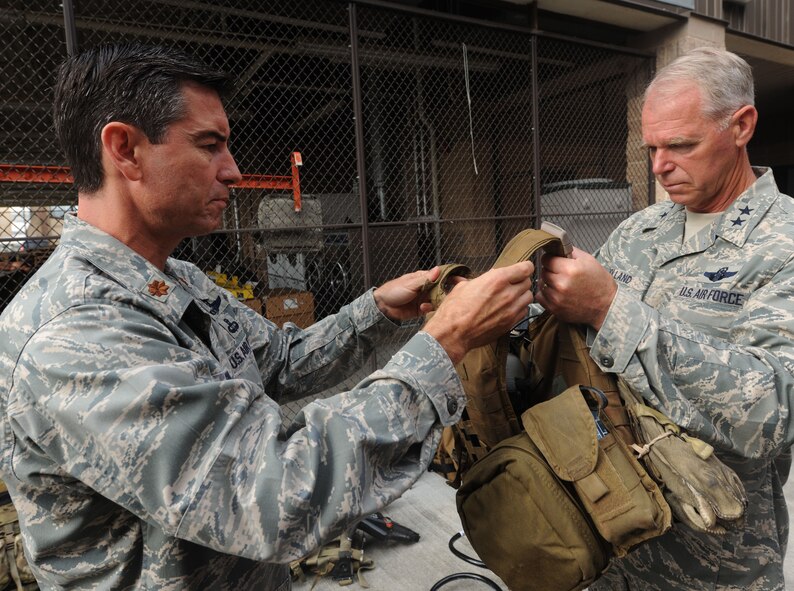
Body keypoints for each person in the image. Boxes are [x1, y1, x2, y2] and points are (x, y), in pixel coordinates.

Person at [0, 43, 535, 590]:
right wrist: (444, 343)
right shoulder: (76, 333)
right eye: (209, 146)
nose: (232, 171)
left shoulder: (174, 279)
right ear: (125, 150)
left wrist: (374, 311)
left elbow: (279, 362)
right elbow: (271, 495)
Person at [536, 46, 794, 590]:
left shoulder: (784, 243)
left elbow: (773, 408)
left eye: (680, 145)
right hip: (613, 533)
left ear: (741, 125)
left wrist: (610, 309)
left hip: (713, 562)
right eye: (652, 147)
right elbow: (578, 342)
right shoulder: (642, 230)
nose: (658, 167)